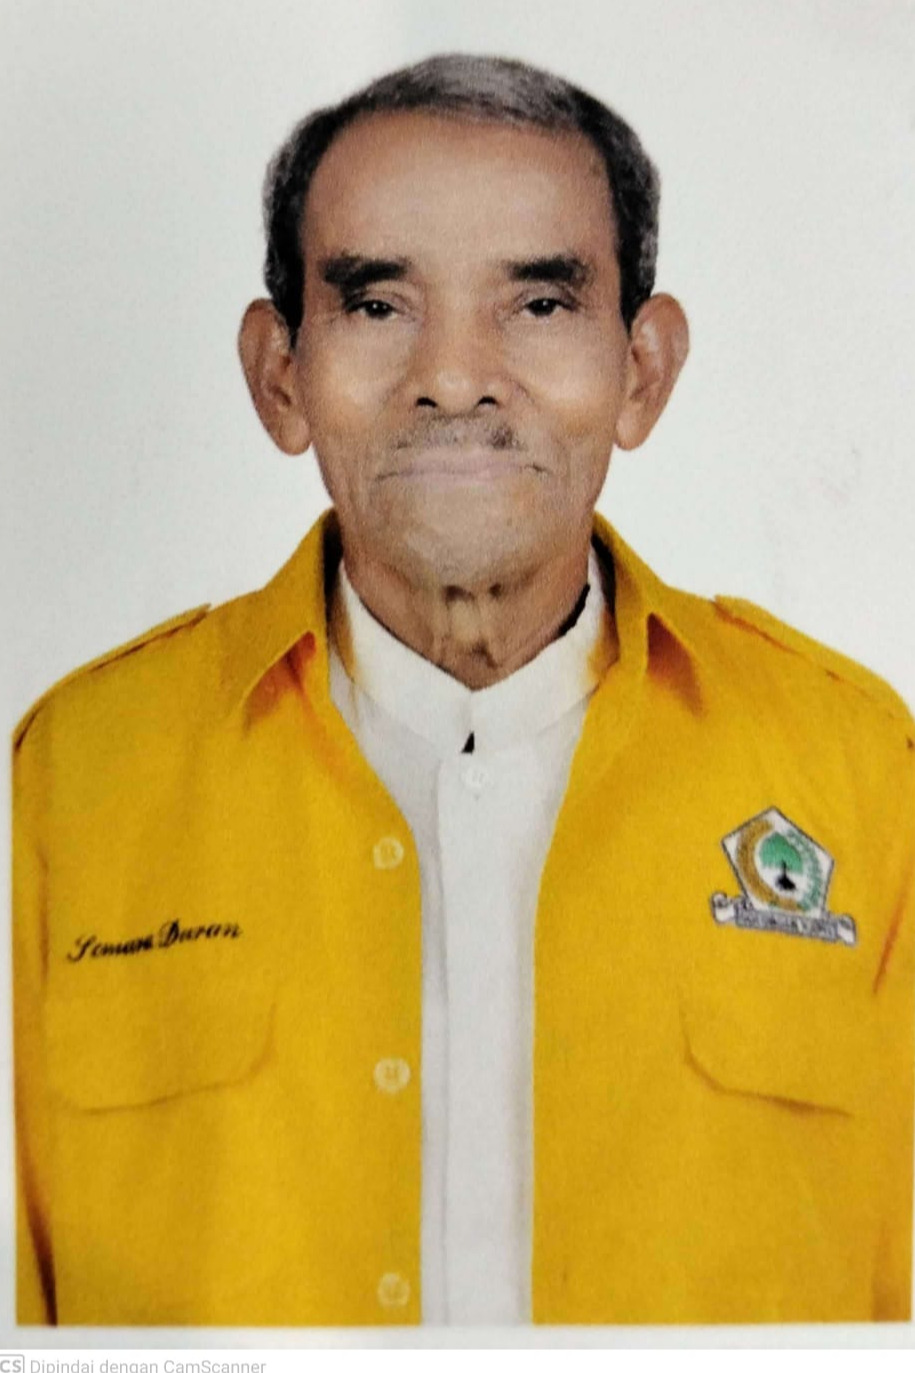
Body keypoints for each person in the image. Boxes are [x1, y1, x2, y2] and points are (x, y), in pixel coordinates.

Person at [12, 53, 914, 1329]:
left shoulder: (861, 772)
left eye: (538, 303)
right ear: (280, 374)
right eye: (379, 303)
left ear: (643, 369)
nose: (453, 375)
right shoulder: (69, 780)